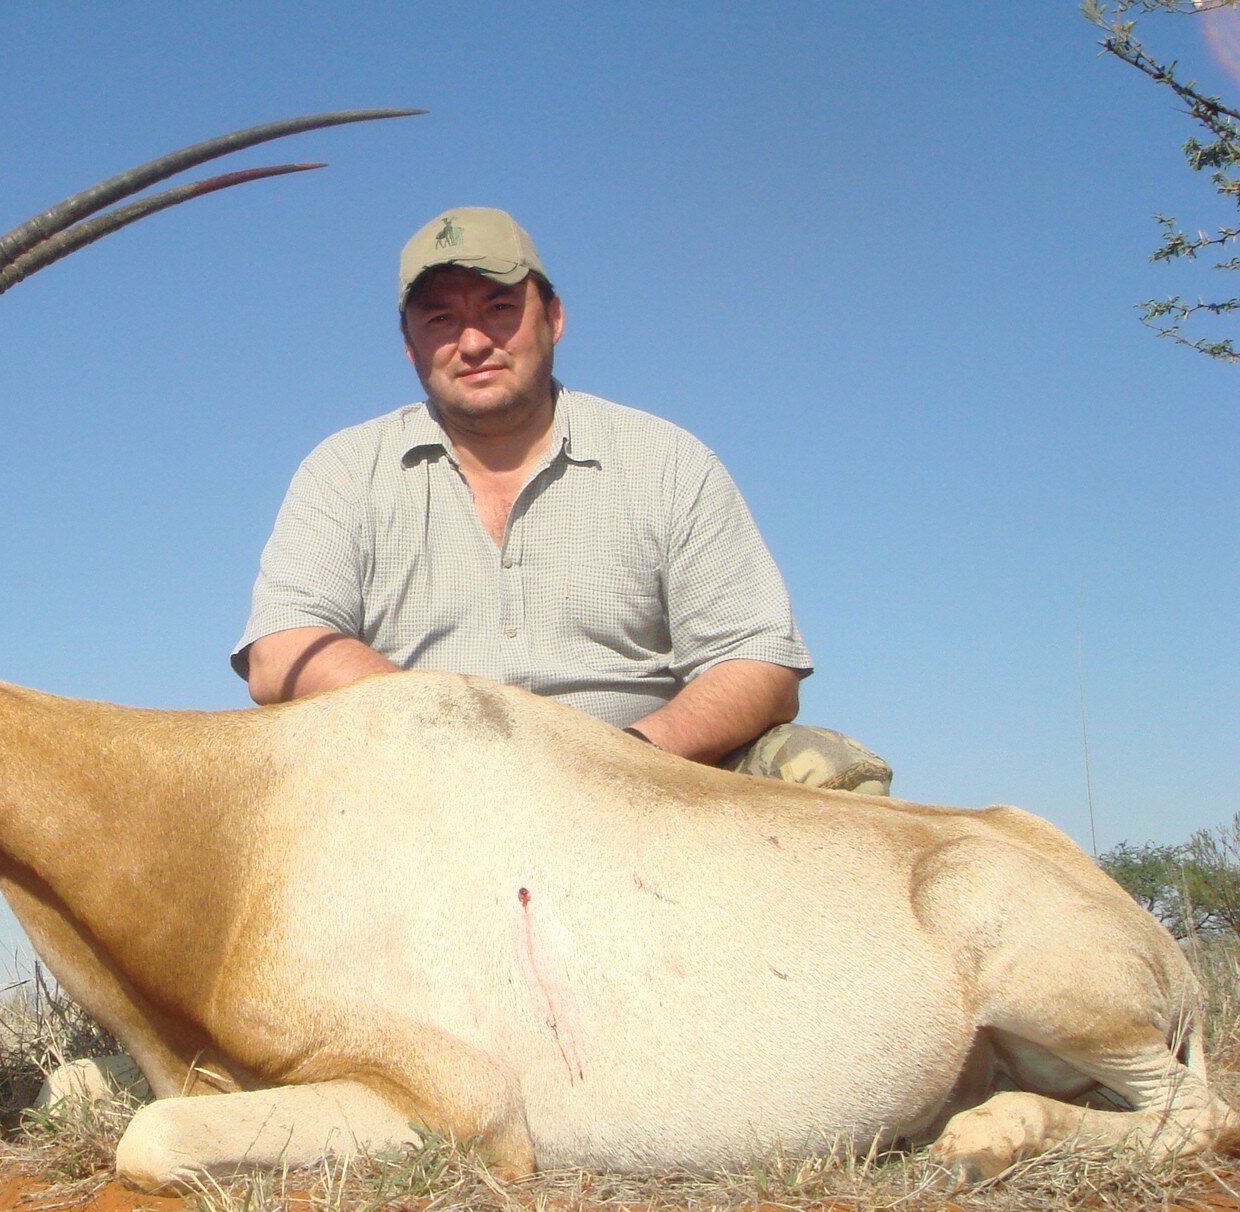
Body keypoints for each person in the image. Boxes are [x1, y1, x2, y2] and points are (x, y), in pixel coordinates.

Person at [235, 206, 890, 792]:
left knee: (824, 768)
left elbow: (759, 661)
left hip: (644, 786)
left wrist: (625, 757)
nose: (472, 342)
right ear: (409, 345)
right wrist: (453, 728)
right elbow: (279, 653)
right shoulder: (344, 469)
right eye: (440, 319)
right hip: (412, 786)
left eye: (498, 308)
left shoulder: (667, 460)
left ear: (552, 318)